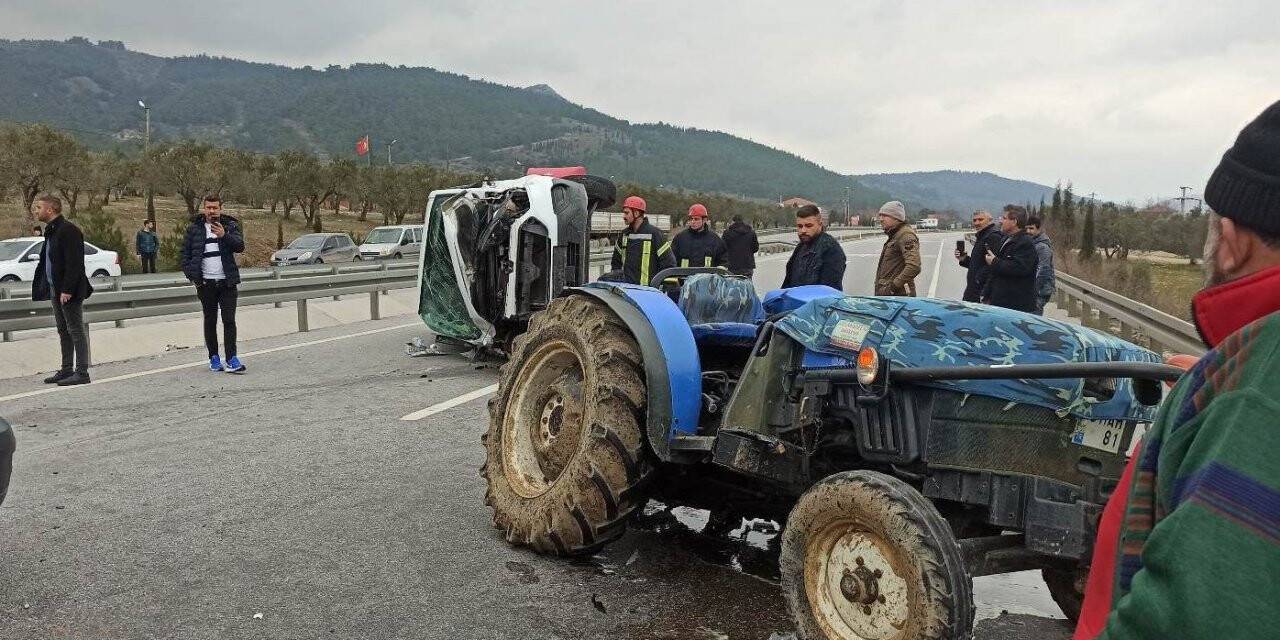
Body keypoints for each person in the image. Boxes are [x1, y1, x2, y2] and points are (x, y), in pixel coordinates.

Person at [1076, 99, 1280, 640]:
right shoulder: (1246, 376)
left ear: (1232, 241)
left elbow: (1196, 616)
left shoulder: (1255, 392)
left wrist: (1233, 390)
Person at [30, 195, 93, 386]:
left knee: (75, 329)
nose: (36, 211)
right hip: (54, 289)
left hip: (69, 291)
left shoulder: (68, 231)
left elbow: (75, 264)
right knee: (63, 330)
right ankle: (67, 369)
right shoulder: (51, 231)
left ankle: (82, 372)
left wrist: (67, 289)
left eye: (39, 207)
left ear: (51, 209)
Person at [180, 194, 246, 373]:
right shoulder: (194, 229)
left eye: (214, 208)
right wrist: (194, 278)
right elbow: (184, 256)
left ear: (220, 209)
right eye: (208, 207)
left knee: (229, 320)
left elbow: (240, 246)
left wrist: (224, 235)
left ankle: (232, 358)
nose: (211, 211)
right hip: (206, 284)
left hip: (227, 283)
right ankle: (214, 357)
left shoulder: (230, 226)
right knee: (210, 321)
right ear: (204, 208)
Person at [981, 205, 1038, 312]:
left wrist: (994, 262)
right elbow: (995, 272)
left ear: (1014, 221)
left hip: (1016, 307)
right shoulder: (1005, 239)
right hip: (1000, 303)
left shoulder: (1025, 243)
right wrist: (986, 294)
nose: (1000, 221)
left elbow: (1020, 268)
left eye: (1004, 218)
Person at [608, 195, 675, 286]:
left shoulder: (655, 234)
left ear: (636, 213)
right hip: (626, 290)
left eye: (627, 213)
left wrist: (660, 287)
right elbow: (616, 263)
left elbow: (668, 263)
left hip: (648, 292)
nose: (624, 216)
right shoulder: (624, 235)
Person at [782, 204, 845, 289]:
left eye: (808, 226)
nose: (803, 230)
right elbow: (788, 284)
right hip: (796, 301)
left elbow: (829, 292)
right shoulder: (800, 247)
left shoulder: (831, 250)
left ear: (820, 224)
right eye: (800, 226)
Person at [873, 200, 922, 296]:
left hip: (899, 297)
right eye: (880, 215)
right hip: (890, 297)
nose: (881, 219)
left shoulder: (905, 235)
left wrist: (892, 287)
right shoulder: (895, 235)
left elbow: (914, 266)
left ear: (896, 218)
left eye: (885, 216)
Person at [955, 209, 1002, 302]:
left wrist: (978, 279)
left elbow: (993, 265)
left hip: (981, 291)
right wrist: (964, 259)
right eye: (974, 220)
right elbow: (978, 264)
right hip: (974, 289)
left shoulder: (993, 237)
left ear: (990, 220)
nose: (976, 223)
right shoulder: (982, 236)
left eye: (980, 220)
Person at [671, 203, 728, 269]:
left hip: (706, 278)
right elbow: (671, 260)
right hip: (684, 278)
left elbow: (724, 260)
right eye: (691, 219)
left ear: (704, 220)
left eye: (696, 219)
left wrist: (721, 267)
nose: (693, 222)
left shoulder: (715, 240)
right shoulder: (680, 238)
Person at [1027, 215, 1055, 314]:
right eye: (1027, 228)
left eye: (1031, 228)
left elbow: (1044, 269)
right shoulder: (1033, 243)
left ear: (1039, 229)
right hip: (1035, 289)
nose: (1028, 231)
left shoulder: (1042, 247)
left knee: (1033, 316)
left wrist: (1034, 289)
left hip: (1040, 290)